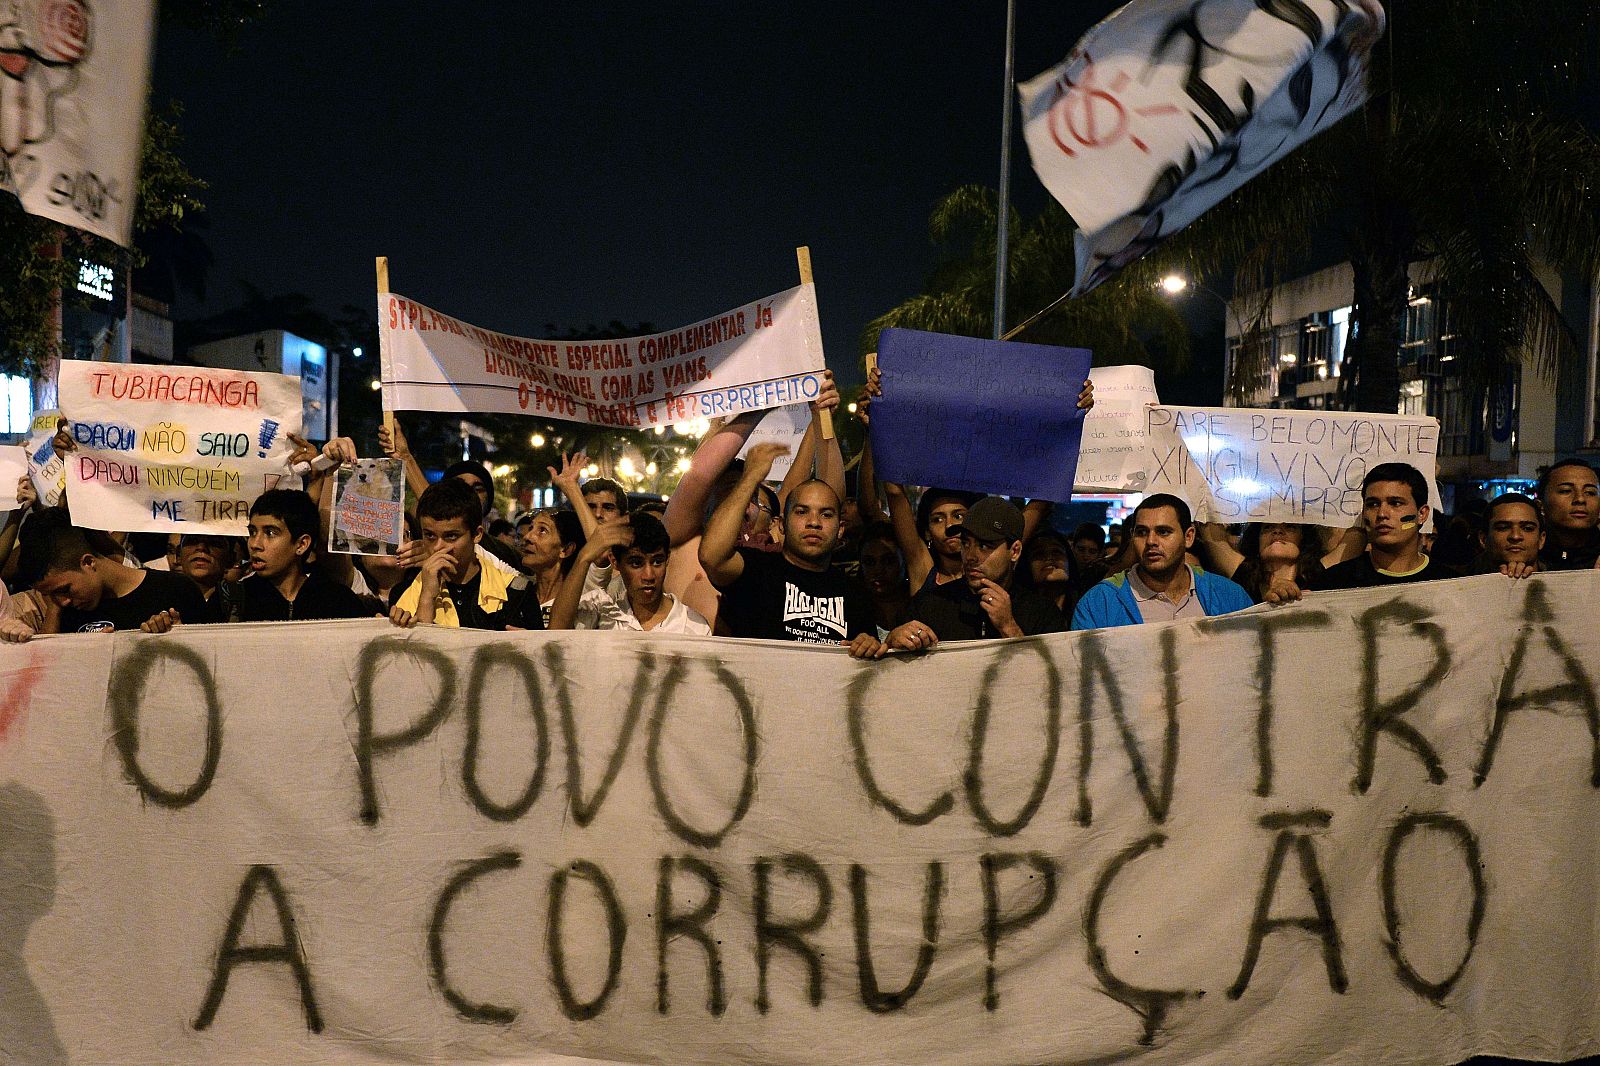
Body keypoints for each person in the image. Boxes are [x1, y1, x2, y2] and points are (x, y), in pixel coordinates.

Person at [700, 442, 881, 656]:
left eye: (826, 514)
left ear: (840, 529)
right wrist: (750, 478)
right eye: (802, 512)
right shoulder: (756, 570)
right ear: (782, 525)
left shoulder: (856, 594)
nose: (814, 522)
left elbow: (868, 662)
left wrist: (868, 645)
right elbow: (711, 557)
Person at [1265, 463, 1460, 602]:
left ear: (1422, 514)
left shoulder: (1453, 584)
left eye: (1395, 503)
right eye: (1373, 504)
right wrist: (1283, 601)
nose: (1382, 514)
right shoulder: (1332, 583)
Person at [888, 496, 1066, 648]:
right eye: (966, 543)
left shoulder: (1042, 612)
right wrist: (893, 640)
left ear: (1014, 551)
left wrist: (1008, 627)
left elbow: (1052, 680)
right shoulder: (931, 604)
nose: (970, 556)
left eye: (984, 545)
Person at [14, 508, 208, 635]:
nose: (62, 600)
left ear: (88, 562)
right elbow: (47, 677)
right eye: (50, 595)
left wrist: (179, 637)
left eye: (64, 589)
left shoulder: (177, 590)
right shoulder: (64, 611)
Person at [1072, 494, 1252, 629]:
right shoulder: (1098, 604)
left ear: (1188, 537)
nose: (1151, 541)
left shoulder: (1230, 596)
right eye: (1142, 532)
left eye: (1163, 532)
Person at [390, 479, 542, 630]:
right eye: (430, 536)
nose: (438, 547)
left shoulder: (516, 591)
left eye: (451, 536)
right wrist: (427, 598)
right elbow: (416, 653)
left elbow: (541, 651)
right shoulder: (404, 592)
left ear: (477, 534)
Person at [548, 513, 711, 634]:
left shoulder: (694, 626)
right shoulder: (600, 608)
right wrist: (584, 558)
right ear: (614, 562)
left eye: (657, 561)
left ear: (667, 558)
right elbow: (555, 633)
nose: (649, 575)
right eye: (636, 563)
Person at [234, 490, 374, 622]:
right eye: (252, 532)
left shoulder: (340, 602)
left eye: (270, 533)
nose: (255, 544)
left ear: (302, 544)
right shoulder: (232, 599)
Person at [1195, 521, 1363, 603]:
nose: (1277, 531)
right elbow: (1210, 534)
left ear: (1303, 538)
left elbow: (1357, 536)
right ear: (1257, 540)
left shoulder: (1319, 575)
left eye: (1290, 526)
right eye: (1267, 527)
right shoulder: (1245, 574)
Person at [518, 508, 585, 625]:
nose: (527, 537)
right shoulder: (516, 593)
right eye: (531, 528)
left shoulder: (586, 602)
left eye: (542, 530)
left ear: (566, 550)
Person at [1536, 458, 1600, 570]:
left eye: (1590, 492)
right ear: (1540, 506)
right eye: (1566, 491)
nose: (1580, 499)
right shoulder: (1529, 557)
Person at [856, 521, 912, 637]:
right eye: (869, 562)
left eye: (888, 561)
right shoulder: (853, 610)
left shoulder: (921, 606)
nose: (878, 570)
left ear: (904, 560)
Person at [174, 534, 242, 624]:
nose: (201, 547)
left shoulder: (243, 599)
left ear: (230, 559)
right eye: (192, 541)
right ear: (178, 555)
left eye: (214, 542)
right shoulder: (162, 596)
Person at [1475, 492, 1544, 579]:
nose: (1515, 536)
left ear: (1541, 539)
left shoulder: (1563, 581)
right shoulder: (1458, 583)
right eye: (1503, 528)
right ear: (1483, 539)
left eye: (1527, 528)